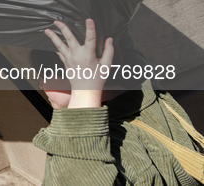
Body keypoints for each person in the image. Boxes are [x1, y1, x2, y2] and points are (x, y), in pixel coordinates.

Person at [33, 19, 202, 185]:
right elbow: (125, 44)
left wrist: (84, 91)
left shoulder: (113, 144)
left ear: (73, 76)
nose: (40, 84)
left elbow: (74, 176)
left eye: (42, 74)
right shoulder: (146, 86)